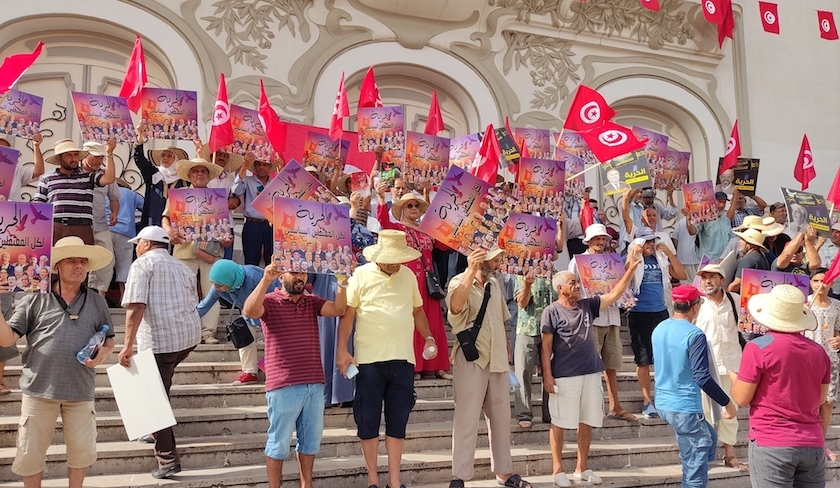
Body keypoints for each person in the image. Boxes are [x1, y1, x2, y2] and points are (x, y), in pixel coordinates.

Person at [0, 236, 114, 488]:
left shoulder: (97, 301)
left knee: (82, 453)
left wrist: (102, 355)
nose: (79, 266)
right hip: (39, 390)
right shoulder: (34, 299)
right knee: (30, 454)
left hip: (80, 391)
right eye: (72, 260)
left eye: (83, 261)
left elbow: (110, 341)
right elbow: (8, 339)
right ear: (57, 267)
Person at [336, 230, 437, 488]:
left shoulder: (409, 277)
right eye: (391, 258)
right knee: (368, 420)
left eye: (398, 258)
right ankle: (373, 479)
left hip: (403, 359)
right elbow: (347, 316)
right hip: (369, 361)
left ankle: (394, 481)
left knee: (398, 422)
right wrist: (342, 350)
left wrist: (429, 338)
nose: (395, 263)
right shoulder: (361, 275)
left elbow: (418, 311)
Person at [243, 260, 348, 488]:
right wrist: (265, 279)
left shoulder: (311, 302)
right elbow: (249, 310)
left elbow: (339, 309)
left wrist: (342, 283)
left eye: (302, 272)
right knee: (278, 443)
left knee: (310, 444)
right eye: (293, 272)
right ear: (282, 276)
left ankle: (306, 485)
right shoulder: (270, 301)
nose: (299, 277)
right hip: (283, 385)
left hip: (314, 384)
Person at [541, 253, 641, 487]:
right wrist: (547, 375)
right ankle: (558, 470)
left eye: (577, 282)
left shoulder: (589, 305)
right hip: (564, 375)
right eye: (572, 283)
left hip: (591, 372)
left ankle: (582, 467)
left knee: (586, 420)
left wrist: (630, 271)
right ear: (560, 288)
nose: (577, 285)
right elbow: (545, 347)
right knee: (559, 422)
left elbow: (615, 294)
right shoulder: (551, 311)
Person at [118, 225, 202, 479]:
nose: (136, 248)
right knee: (159, 386)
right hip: (186, 338)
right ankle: (151, 428)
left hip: (160, 341)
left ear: (146, 243)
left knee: (152, 398)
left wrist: (127, 345)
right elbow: (193, 300)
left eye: (138, 244)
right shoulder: (182, 266)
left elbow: (135, 307)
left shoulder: (142, 265)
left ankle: (167, 459)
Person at [446, 247, 531, 488]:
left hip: (497, 359)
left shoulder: (494, 285)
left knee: (501, 419)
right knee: (466, 418)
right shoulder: (458, 281)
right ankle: (459, 476)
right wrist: (470, 271)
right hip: (472, 358)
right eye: (495, 259)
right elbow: (454, 307)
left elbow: (500, 319)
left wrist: (506, 351)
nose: (499, 262)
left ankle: (504, 472)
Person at [731, 284, 831, 488]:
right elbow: (820, 400)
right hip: (812, 443)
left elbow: (741, 398)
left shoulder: (757, 347)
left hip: (772, 442)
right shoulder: (818, 351)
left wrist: (735, 381)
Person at [652, 285, 738, 488]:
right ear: (695, 307)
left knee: (709, 439)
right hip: (685, 406)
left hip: (664, 402)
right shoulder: (695, 334)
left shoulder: (659, 327)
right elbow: (702, 377)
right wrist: (727, 403)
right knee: (695, 475)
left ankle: (693, 461)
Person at [375, 189, 452, 380]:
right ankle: (414, 366)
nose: (414, 208)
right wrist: (382, 199)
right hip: (407, 280)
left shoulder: (427, 230)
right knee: (412, 322)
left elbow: (444, 245)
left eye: (417, 205)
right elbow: (383, 223)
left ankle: (437, 366)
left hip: (428, 283)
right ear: (401, 209)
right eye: (409, 205)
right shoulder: (398, 229)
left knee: (433, 322)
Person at [568, 224, 637, 422]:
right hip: (590, 318)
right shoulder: (576, 262)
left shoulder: (612, 261)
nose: (600, 242)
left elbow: (621, 285)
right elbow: (571, 288)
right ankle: (587, 406)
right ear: (588, 241)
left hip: (612, 317)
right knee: (589, 365)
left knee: (612, 364)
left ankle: (615, 405)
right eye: (597, 239)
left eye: (603, 239)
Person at [160, 157, 232, 344]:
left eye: (203, 171)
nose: (199, 174)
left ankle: (208, 332)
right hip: (184, 250)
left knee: (214, 291)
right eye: (195, 171)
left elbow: (225, 231)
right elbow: (165, 218)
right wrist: (169, 232)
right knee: (183, 292)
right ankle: (185, 332)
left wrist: (226, 239)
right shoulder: (179, 195)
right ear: (190, 175)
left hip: (212, 252)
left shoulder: (218, 197)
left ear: (209, 176)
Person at [628, 227, 686, 417]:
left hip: (660, 312)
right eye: (646, 241)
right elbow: (624, 277)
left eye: (652, 240)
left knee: (664, 358)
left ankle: (664, 397)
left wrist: (669, 253)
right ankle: (647, 400)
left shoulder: (660, 260)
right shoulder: (632, 259)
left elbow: (681, 274)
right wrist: (633, 257)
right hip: (638, 313)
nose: (650, 244)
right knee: (643, 360)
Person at [693, 264, 745, 471]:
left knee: (730, 411)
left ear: (722, 280)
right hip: (705, 366)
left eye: (712, 277)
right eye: (704, 277)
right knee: (704, 411)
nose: (707, 281)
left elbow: (750, 324)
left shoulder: (736, 300)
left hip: (732, 364)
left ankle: (729, 453)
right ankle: (703, 453)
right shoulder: (697, 303)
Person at [197, 259, 280, 385]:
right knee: (242, 335)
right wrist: (188, 319)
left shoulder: (252, 276)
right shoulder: (219, 287)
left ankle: (274, 369)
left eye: (218, 285)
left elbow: (276, 293)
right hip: (249, 314)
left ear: (228, 279)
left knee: (275, 343)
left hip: (270, 311)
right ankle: (250, 372)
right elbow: (204, 305)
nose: (216, 287)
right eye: (214, 284)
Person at [34, 138, 116, 244]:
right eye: (69, 155)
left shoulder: (88, 176)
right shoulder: (47, 178)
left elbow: (109, 179)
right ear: (59, 158)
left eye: (76, 155)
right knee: (56, 259)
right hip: (56, 228)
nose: (74, 159)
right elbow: (38, 206)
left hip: (82, 228)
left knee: (83, 259)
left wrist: (109, 153)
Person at [512, 268, 556, 428]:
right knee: (523, 371)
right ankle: (523, 413)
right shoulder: (521, 274)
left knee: (551, 371)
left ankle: (550, 411)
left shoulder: (555, 274)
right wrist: (527, 285)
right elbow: (521, 303)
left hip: (551, 330)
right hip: (527, 328)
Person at [806, 268, 840, 461]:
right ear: (811, 283)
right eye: (817, 281)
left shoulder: (836, 305)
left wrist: (838, 340)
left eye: (824, 281)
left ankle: (821, 443)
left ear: (831, 283)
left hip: (831, 360)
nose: (821, 285)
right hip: (807, 361)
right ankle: (808, 441)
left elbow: (838, 330)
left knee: (827, 403)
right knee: (810, 401)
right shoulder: (805, 303)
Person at [80, 141, 121, 297]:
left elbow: (114, 197)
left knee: (106, 259)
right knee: (80, 258)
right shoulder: (75, 172)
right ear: (85, 155)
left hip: (100, 224)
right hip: (79, 225)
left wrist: (114, 212)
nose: (98, 161)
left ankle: (99, 298)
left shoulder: (105, 174)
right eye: (95, 157)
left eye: (101, 158)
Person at [133, 127, 189, 228]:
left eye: (169, 156)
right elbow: (140, 160)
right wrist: (139, 141)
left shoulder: (184, 180)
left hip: (175, 227)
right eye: (163, 155)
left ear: (176, 160)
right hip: (152, 224)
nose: (165, 158)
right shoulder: (154, 174)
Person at [231, 157, 277, 266]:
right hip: (253, 224)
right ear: (254, 166)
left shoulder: (276, 182)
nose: (261, 167)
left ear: (270, 167)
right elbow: (236, 191)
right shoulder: (247, 180)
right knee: (251, 261)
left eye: (265, 164)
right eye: (258, 164)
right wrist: (244, 166)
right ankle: (251, 283)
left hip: (271, 225)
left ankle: (271, 283)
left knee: (272, 261)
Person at [106, 178, 144, 304]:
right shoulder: (130, 194)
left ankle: (101, 297)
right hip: (125, 232)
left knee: (105, 265)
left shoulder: (104, 192)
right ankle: (124, 297)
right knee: (125, 265)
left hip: (106, 230)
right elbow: (144, 205)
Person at [685, 192, 733, 261]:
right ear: (712, 202)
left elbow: (731, 239)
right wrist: (688, 220)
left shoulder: (726, 220)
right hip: (709, 261)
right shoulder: (704, 218)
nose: (721, 205)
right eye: (719, 202)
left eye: (724, 202)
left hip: (724, 261)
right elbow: (692, 231)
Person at [0, 134, 45, 202]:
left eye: (6, 149)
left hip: (11, 211)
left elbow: (39, 171)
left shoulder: (17, 170)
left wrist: (36, 146)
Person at [727, 228, 770, 294]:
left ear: (752, 244)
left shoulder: (748, 260)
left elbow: (736, 285)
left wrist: (724, 292)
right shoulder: (762, 258)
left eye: (743, 239)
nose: (739, 242)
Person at [817, 223, 840, 299]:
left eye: (837, 232)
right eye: (832, 231)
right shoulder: (823, 247)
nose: (834, 234)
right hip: (830, 290)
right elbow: (819, 267)